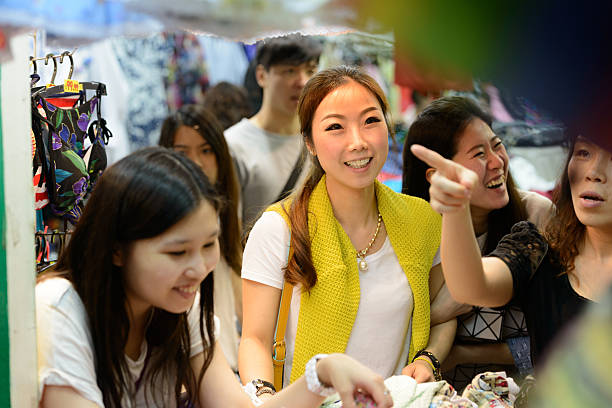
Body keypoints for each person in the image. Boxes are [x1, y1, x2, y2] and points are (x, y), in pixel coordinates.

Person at [36, 147, 394, 408]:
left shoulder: (180, 310)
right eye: (177, 252)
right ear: (116, 249)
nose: (199, 267)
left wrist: (324, 372)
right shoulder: (59, 311)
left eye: (209, 245)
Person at [239, 66, 457, 398]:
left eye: (371, 121)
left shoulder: (424, 221)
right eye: (335, 127)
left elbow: (442, 314)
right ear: (310, 142)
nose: (358, 142)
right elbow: (254, 338)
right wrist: (266, 400)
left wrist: (428, 358)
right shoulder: (278, 228)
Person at [410, 133, 612, 369]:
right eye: (583, 153)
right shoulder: (540, 248)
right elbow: (472, 286)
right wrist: (457, 207)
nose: (593, 172)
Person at [402, 96, 553, 386]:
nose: (497, 162)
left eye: (497, 145)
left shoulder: (536, 216)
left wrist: (461, 354)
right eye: (479, 154)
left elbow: (554, 335)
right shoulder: (416, 235)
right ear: (436, 176)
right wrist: (440, 312)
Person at [159, 105, 243, 372]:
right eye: (182, 153)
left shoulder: (225, 217)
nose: (195, 162)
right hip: (182, 370)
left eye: (206, 151)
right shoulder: (156, 226)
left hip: (226, 365)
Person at [224, 34, 322, 228]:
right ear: (262, 75)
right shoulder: (233, 144)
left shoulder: (321, 137)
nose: (302, 81)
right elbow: (230, 234)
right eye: (290, 71)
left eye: (310, 70)